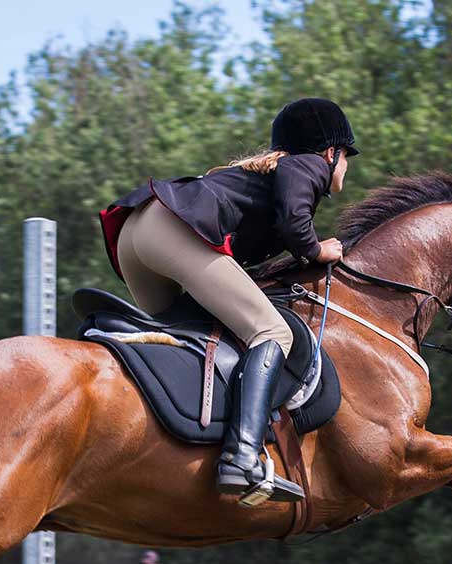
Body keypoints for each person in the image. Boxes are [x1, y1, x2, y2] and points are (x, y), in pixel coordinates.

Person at [99, 98, 358, 506]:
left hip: (137, 234)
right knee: (272, 331)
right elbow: (296, 223)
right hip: (171, 232)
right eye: (347, 158)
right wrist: (318, 250)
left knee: (183, 339)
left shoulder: (260, 174)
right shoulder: (305, 165)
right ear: (331, 153)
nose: (346, 167)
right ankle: (242, 456)